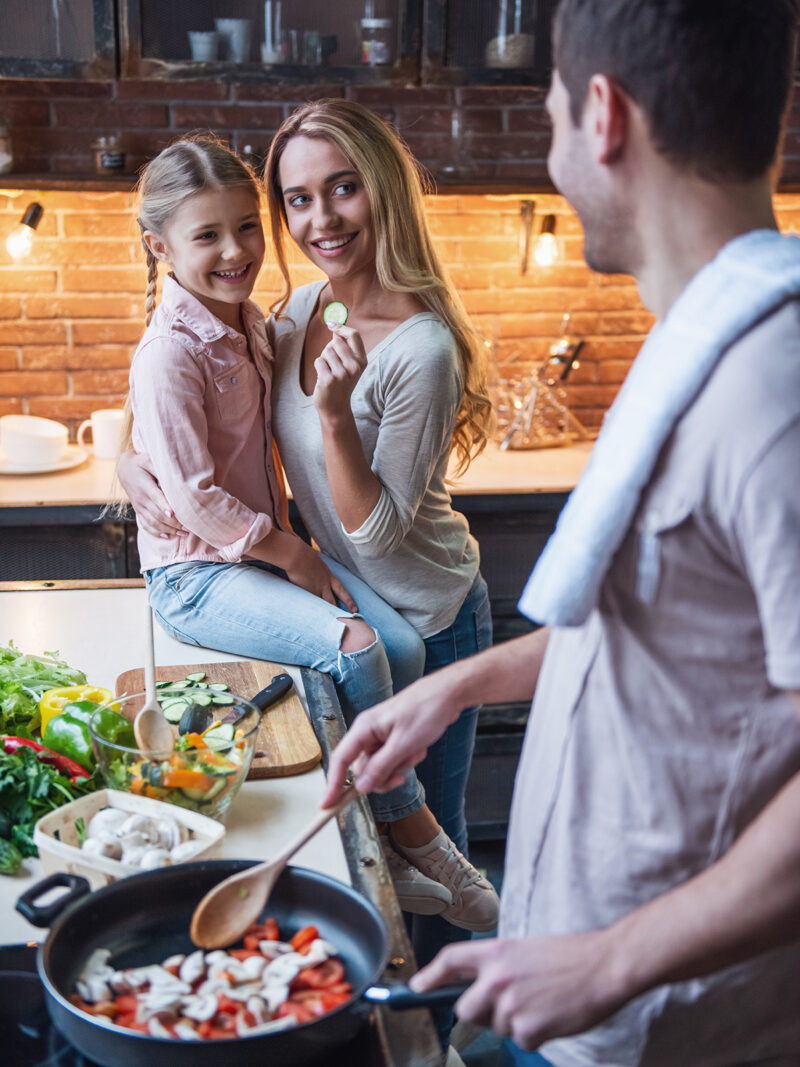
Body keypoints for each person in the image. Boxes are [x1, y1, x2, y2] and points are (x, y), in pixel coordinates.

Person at [323, 1, 800, 1064]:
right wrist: (451, 686)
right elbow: (670, 638)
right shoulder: (697, 346)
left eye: (547, 116)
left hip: (667, 1025)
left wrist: (611, 957)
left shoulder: (776, 388)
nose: (549, 153)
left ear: (602, 115)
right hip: (574, 991)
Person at [120, 134, 496, 944]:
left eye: (244, 227)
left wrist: (327, 427)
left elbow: (373, 522)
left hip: (431, 606)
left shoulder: (295, 327)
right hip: (243, 566)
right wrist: (131, 460)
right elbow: (180, 455)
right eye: (296, 198)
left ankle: (455, 1016)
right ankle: (408, 843)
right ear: (161, 246)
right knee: (379, 688)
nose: (238, 250)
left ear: (385, 192)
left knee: (403, 682)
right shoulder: (289, 315)